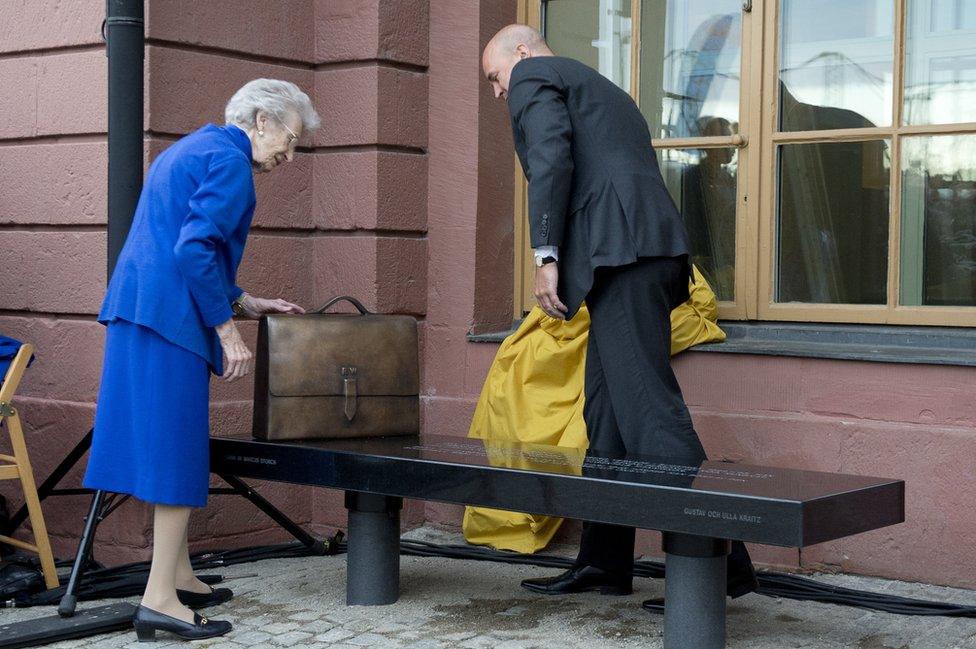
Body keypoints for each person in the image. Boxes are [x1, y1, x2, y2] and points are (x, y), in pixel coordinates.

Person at [481, 25, 758, 610]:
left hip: (623, 255)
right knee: (606, 416)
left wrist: (547, 256)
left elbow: (552, 158)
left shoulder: (537, 74)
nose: (499, 92)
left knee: (647, 410)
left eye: (495, 77)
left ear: (522, 54)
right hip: (636, 254)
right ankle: (605, 562)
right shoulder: (603, 88)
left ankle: (719, 565)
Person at [83, 79, 320, 642]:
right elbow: (192, 248)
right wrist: (227, 330)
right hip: (170, 320)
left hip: (140, 311)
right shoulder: (232, 163)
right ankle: (160, 601)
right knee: (177, 454)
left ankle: (181, 575)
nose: (289, 155)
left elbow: (182, 239)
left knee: (168, 445)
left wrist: (244, 299)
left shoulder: (195, 147)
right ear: (261, 120)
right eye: (290, 138)